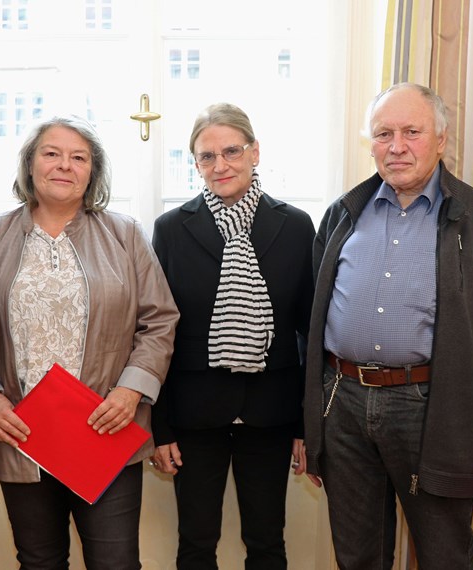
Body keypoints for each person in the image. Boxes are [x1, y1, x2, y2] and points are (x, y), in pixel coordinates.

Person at [302, 82, 473, 568]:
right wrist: (310, 423)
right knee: (357, 557)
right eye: (384, 133)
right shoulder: (343, 215)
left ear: (441, 139)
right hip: (342, 404)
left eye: (412, 131)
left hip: (435, 411)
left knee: (444, 556)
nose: (397, 146)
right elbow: (310, 322)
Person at [0, 115, 178, 570]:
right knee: (39, 561)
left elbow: (159, 321)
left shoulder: (126, 234)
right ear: (30, 164)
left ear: (92, 172)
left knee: (115, 562)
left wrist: (130, 391)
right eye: (51, 153)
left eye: (79, 158)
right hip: (20, 432)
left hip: (104, 429)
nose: (64, 165)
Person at [149, 102, 315, 569]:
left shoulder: (296, 226)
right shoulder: (171, 229)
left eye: (231, 151)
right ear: (195, 164)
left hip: (272, 412)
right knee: (196, 545)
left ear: (255, 152)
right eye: (206, 156)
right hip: (194, 415)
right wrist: (159, 427)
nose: (220, 165)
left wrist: (306, 424)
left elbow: (309, 330)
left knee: (267, 544)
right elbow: (158, 334)